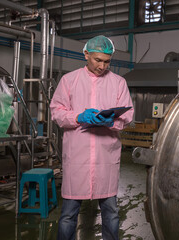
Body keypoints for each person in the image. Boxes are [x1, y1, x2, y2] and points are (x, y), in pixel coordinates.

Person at [50, 35, 134, 240]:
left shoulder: (119, 82)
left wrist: (111, 121)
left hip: (106, 158)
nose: (102, 66)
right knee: (69, 215)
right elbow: (56, 112)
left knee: (111, 213)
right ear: (86, 54)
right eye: (98, 60)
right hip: (78, 157)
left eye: (107, 61)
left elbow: (128, 116)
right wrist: (78, 116)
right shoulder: (69, 80)